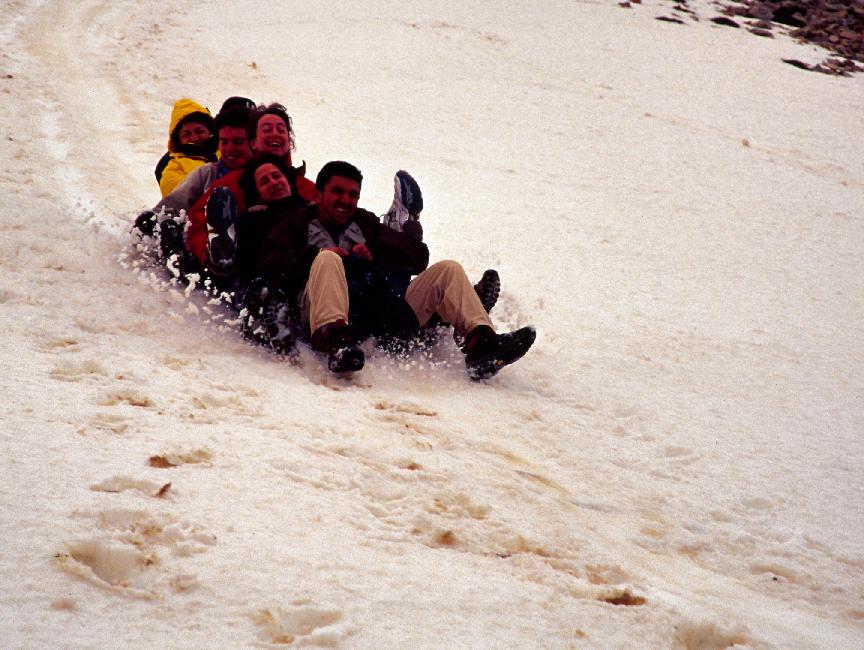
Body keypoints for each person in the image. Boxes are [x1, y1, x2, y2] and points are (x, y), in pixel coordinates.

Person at [254, 161, 535, 379]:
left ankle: (481, 345)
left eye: (353, 194)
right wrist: (316, 255)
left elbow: (417, 257)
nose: (346, 200)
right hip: (316, 317)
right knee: (328, 260)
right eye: (337, 192)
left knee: (448, 270)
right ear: (318, 193)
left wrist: (374, 252)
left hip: (375, 313)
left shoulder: (363, 222)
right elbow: (266, 265)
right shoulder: (296, 224)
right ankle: (337, 342)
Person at [184, 103, 319, 270]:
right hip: (249, 267)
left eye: (281, 130)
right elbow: (198, 222)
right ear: (253, 142)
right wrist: (210, 255)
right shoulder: (233, 183)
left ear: (289, 142)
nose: (274, 134)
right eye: (267, 129)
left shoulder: (308, 188)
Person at [157, 98, 218, 197]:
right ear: (178, 140)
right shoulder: (174, 167)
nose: (194, 138)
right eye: (187, 134)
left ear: (210, 131)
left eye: (199, 131)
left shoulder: (226, 150)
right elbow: (176, 192)